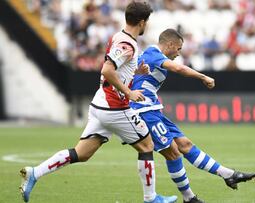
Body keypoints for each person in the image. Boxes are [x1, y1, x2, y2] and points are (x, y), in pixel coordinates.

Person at [19, 2, 177, 203]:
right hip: (114, 107)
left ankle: (35, 173)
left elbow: (118, 68)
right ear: (142, 22)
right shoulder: (127, 44)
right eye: (147, 21)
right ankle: (151, 198)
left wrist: (136, 71)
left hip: (100, 103)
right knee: (147, 145)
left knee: (81, 153)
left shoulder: (119, 37)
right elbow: (107, 70)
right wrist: (129, 92)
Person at [130, 29, 255, 203]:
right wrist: (203, 77)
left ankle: (228, 174)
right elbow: (179, 68)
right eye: (179, 49)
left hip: (153, 109)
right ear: (170, 44)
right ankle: (189, 198)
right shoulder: (154, 54)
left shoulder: (153, 54)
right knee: (173, 153)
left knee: (185, 144)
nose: (179, 53)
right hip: (143, 111)